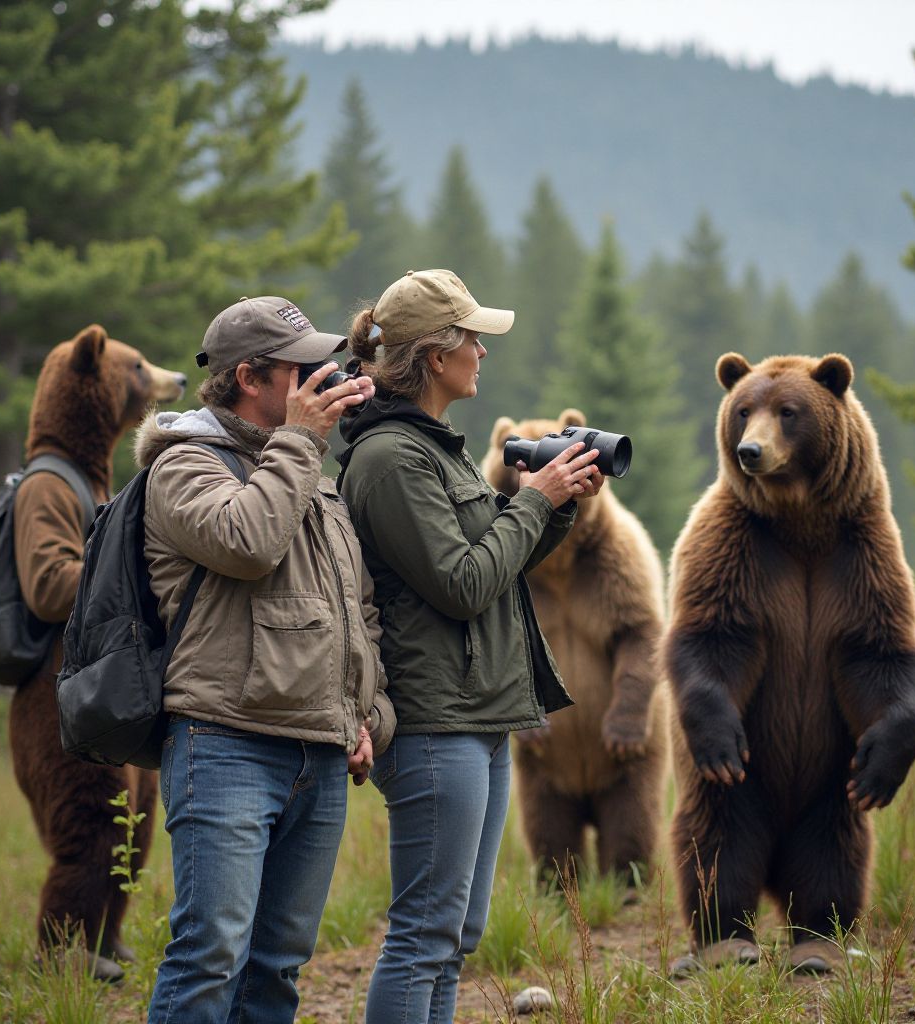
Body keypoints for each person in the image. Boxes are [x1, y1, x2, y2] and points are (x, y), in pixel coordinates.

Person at [336, 269, 603, 1024]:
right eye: (472, 339)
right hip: (435, 723)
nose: (482, 352)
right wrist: (534, 501)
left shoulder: (434, 448)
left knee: (455, 937)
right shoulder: (391, 459)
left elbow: (496, 560)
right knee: (424, 934)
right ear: (434, 356)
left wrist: (555, 505)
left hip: (478, 716)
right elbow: (462, 582)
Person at [139, 296, 396, 1024]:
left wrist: (368, 715)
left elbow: (357, 612)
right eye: (301, 369)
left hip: (320, 752)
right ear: (250, 378)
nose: (323, 379)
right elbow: (246, 543)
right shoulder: (184, 464)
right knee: (211, 956)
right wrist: (301, 440)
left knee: (277, 967)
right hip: (225, 743)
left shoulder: (309, 477)